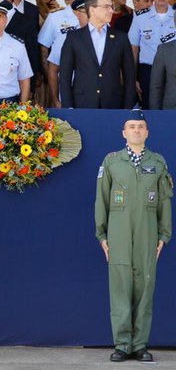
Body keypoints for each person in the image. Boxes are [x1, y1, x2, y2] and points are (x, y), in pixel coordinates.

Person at [95, 109, 172, 363]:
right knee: (120, 287)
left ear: (147, 132)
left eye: (140, 126)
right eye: (132, 126)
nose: (136, 130)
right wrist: (102, 235)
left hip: (148, 234)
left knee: (145, 287)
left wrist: (164, 234)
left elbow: (164, 202)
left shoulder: (158, 162)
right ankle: (122, 344)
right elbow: (101, 200)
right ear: (124, 133)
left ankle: (140, 344)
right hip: (118, 233)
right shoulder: (112, 162)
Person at [59, 0, 135, 109]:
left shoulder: (121, 38)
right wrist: (68, 107)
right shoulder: (74, 37)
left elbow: (129, 77)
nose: (111, 11)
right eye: (106, 7)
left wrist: (128, 108)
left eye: (112, 7)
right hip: (82, 103)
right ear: (92, 9)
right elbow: (65, 76)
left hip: (113, 104)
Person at [38, 0, 91, 107]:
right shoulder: (56, 17)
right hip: (63, 82)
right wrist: (51, 86)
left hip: (90, 83)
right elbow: (44, 50)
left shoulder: (95, 17)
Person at [128, 0, 176, 109]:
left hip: (173, 72)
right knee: (150, 107)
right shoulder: (140, 17)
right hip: (147, 71)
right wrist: (134, 78)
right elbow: (134, 49)